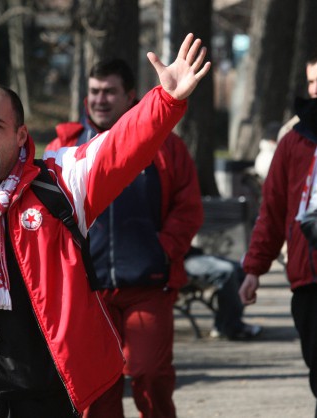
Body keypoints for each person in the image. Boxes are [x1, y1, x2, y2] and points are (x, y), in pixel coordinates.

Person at [0, 34, 210, 418]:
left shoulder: (59, 182)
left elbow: (120, 148)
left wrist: (166, 100)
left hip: (41, 394)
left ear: (21, 135)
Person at [46, 56, 252, 418]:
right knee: (98, 389)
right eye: (94, 92)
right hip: (89, 293)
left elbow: (189, 210)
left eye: (110, 92)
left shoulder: (166, 146)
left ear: (130, 97)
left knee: (150, 375)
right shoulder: (62, 150)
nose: (100, 100)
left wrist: (161, 250)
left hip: (148, 283)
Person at [239, 52, 317, 411]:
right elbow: (271, 212)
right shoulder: (293, 141)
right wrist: (254, 269)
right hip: (308, 281)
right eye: (312, 82)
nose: (315, 91)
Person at [184, 246, 262, 340]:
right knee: (227, 271)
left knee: (241, 268)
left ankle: (229, 322)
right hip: (177, 262)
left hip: (192, 254)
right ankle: (228, 326)